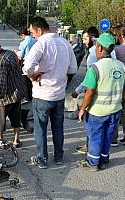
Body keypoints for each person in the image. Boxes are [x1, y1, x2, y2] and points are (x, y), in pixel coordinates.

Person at [23, 16, 77, 169]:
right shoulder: (65, 43)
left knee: (40, 128)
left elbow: (27, 66)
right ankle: (58, 156)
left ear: (39, 30)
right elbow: (73, 69)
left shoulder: (41, 44)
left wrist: (32, 75)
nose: (32, 35)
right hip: (59, 94)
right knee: (58, 127)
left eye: (32, 32)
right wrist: (60, 76)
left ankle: (42, 159)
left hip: (42, 94)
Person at [77, 33, 125, 171]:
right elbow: (124, 88)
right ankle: (104, 160)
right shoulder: (121, 66)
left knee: (95, 137)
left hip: (97, 112)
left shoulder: (95, 68)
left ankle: (93, 163)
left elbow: (89, 92)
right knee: (108, 137)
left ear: (99, 48)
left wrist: (82, 109)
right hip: (115, 109)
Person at [73, 26, 116, 154]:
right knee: (106, 133)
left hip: (97, 101)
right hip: (113, 102)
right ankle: (103, 157)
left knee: (94, 130)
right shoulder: (114, 54)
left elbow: (90, 81)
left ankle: (91, 155)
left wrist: (77, 92)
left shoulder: (93, 54)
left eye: (86, 39)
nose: (85, 42)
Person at [0, 39, 27, 148]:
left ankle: (1, 141)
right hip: (17, 93)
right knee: (16, 118)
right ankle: (16, 140)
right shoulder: (11, 54)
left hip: (6, 96)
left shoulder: (0, 62)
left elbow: (0, 82)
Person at [16, 27, 37, 134]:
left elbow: (20, 56)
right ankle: (30, 111)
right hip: (36, 68)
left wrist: (16, 52)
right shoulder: (35, 40)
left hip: (26, 68)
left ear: (22, 35)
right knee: (32, 89)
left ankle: (25, 113)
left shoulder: (24, 42)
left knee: (25, 90)